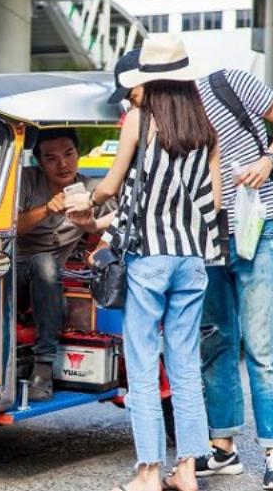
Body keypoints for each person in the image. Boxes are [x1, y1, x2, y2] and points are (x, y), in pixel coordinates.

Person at [69, 34, 222, 491]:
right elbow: (212, 199)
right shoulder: (206, 124)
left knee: (141, 364)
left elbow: (113, 185)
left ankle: (150, 473)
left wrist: (87, 203)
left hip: (150, 258)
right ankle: (189, 471)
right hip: (193, 259)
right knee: (185, 368)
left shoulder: (139, 118)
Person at [192, 55, 273, 491]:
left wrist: (268, 160)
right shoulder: (162, 115)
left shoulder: (229, 83)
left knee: (263, 344)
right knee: (216, 343)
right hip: (203, 238)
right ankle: (223, 449)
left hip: (256, 228)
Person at [17, 128, 115, 401]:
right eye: (51, 158)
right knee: (43, 265)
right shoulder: (26, 180)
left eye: (69, 154)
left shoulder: (91, 191)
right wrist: (47, 208)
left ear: (78, 155)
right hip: (14, 272)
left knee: (47, 267)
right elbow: (11, 226)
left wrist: (101, 245)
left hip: (50, 274)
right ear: (39, 162)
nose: (62, 164)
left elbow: (121, 220)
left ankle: (43, 367)